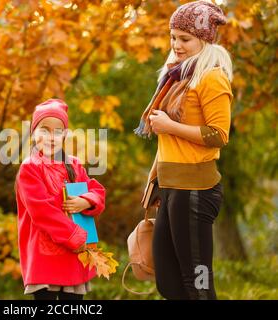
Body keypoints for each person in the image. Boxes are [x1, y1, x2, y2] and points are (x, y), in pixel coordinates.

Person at [134, 0, 233, 300]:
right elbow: (166, 140)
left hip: (196, 192)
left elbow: (219, 135)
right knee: (167, 282)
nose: (176, 45)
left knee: (198, 282)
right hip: (171, 187)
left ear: (204, 39)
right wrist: (156, 182)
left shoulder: (211, 78)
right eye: (173, 37)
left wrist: (170, 127)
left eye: (185, 38)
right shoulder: (177, 76)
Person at [15, 98, 106, 300]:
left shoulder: (73, 164)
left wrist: (87, 200)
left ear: (65, 134)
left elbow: (97, 191)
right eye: (44, 130)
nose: (51, 136)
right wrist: (75, 236)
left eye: (58, 131)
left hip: (74, 258)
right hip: (45, 256)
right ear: (33, 132)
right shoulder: (30, 167)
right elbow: (42, 212)